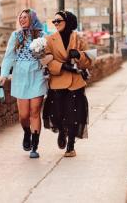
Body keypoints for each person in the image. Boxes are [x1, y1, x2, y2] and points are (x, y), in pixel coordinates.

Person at [0, 9, 48, 159]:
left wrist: (43, 57)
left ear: (32, 18)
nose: (22, 19)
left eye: (25, 17)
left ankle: (35, 146)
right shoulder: (16, 36)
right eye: (20, 17)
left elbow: (49, 56)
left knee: (34, 112)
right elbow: (8, 57)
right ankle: (27, 132)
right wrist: (4, 75)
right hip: (20, 76)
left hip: (36, 75)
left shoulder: (42, 36)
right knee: (24, 115)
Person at [43, 10, 92, 157]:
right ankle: (61, 131)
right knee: (57, 115)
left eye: (59, 21)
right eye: (54, 21)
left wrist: (79, 55)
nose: (56, 24)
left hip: (75, 82)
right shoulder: (49, 39)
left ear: (68, 22)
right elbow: (46, 59)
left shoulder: (78, 39)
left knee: (74, 115)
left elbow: (89, 60)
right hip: (57, 81)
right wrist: (62, 66)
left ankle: (71, 146)